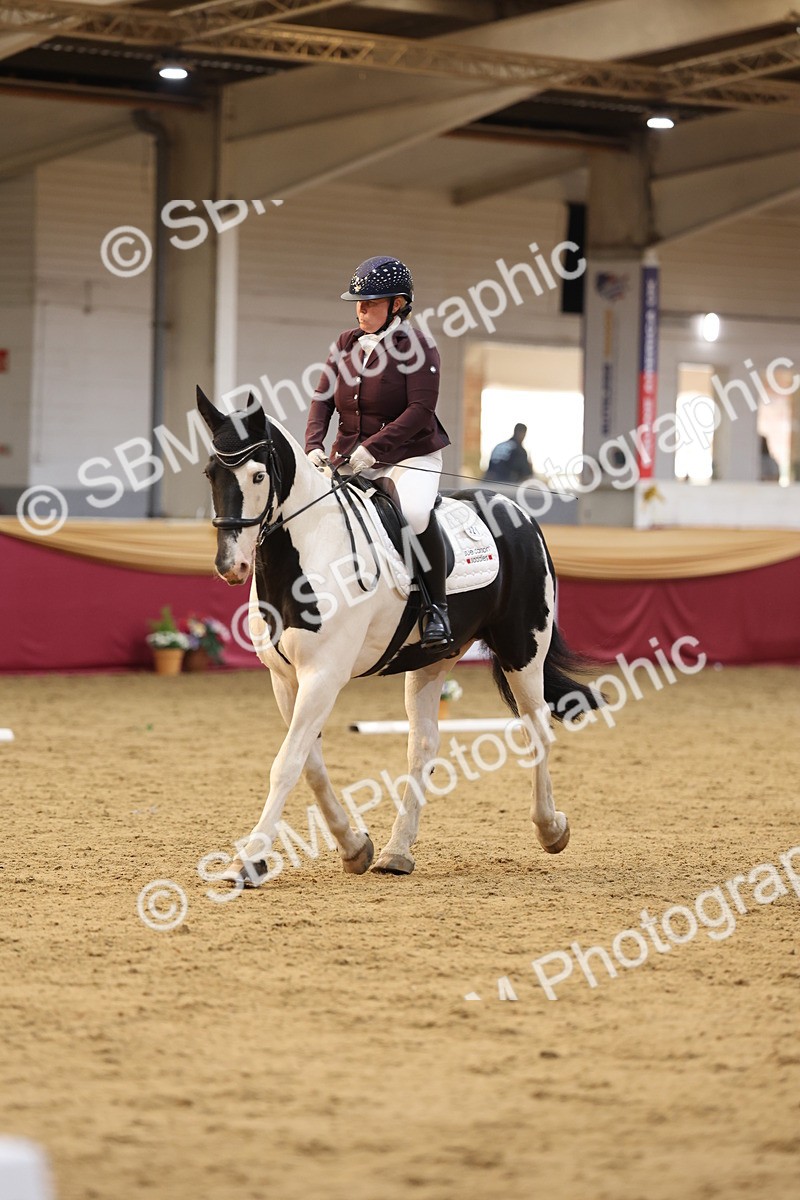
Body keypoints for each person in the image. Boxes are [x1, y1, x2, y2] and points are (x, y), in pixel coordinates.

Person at [305, 256, 452, 651]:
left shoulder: (419, 347)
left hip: (410, 455)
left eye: (370, 303)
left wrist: (374, 449)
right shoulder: (344, 344)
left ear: (398, 305)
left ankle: (435, 608)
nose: (361, 310)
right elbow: (322, 399)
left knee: (415, 513)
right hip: (350, 457)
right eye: (358, 302)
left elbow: (420, 411)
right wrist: (314, 446)